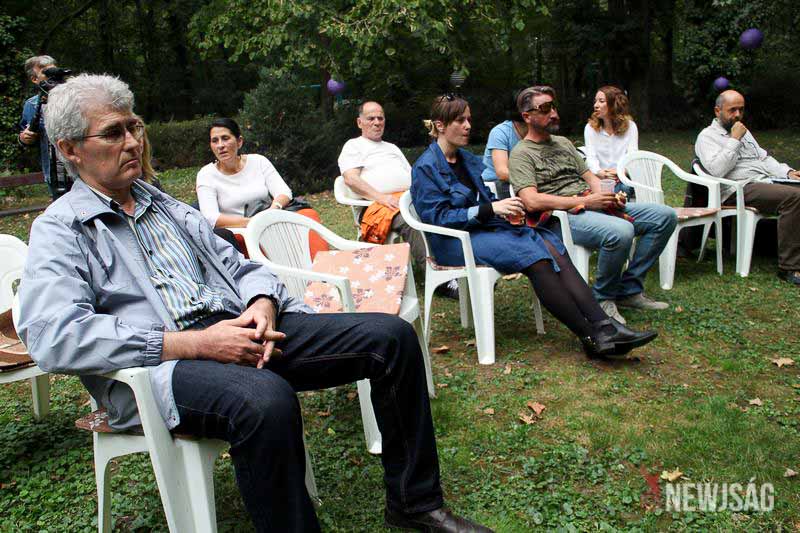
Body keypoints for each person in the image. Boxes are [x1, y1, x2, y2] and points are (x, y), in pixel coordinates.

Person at [17, 74, 491, 533]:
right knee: (264, 399)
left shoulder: (164, 206)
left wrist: (263, 300)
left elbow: (241, 264)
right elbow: (52, 335)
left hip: (242, 326)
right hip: (165, 366)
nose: (132, 143)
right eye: (113, 133)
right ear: (70, 149)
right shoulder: (60, 229)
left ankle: (414, 503)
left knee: (392, 338)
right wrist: (196, 344)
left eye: (134, 127)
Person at [411, 94, 657, 358]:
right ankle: (591, 335)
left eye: (469, 119)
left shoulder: (466, 160)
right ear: (440, 125)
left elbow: (485, 200)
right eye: (460, 121)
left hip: (482, 231)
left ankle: (605, 325)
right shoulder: (426, 167)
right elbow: (438, 218)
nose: (468, 126)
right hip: (453, 243)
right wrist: (491, 209)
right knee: (536, 258)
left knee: (551, 243)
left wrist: (506, 210)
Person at [509, 85, 677, 325]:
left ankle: (629, 290)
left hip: (590, 204)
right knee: (621, 231)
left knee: (664, 216)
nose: (553, 113)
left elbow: (590, 178)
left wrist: (609, 197)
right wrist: (585, 201)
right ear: (527, 116)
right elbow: (531, 201)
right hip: (561, 217)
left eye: (553, 107)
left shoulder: (563, 143)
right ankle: (603, 297)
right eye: (545, 109)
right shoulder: (521, 154)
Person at [339, 101, 457, 298]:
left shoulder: (391, 147)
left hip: (406, 199)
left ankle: (455, 265)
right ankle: (439, 280)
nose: (377, 122)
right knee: (409, 220)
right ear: (359, 122)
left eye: (380, 118)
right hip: (377, 207)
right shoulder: (353, 146)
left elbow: (413, 176)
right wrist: (382, 198)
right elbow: (351, 179)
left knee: (443, 210)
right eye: (371, 118)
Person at [695, 89, 800, 285]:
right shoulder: (707, 137)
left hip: (764, 182)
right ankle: (790, 267)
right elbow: (717, 171)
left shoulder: (745, 132)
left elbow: (763, 158)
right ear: (717, 111)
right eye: (732, 110)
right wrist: (734, 140)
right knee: (795, 197)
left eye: (741, 110)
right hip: (738, 188)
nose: (737, 115)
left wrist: (787, 172)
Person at [196, 117, 327, 258]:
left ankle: (321, 267)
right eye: (215, 141)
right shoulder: (206, 175)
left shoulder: (258, 161)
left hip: (271, 218)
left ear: (239, 141)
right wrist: (253, 223)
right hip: (242, 232)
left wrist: (273, 211)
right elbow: (211, 218)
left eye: (225, 138)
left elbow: (284, 192)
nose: (220, 145)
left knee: (308, 215)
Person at [583, 85, 637, 196]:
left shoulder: (630, 127)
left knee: (625, 187)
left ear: (614, 105)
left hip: (624, 177)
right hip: (599, 178)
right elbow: (591, 157)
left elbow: (633, 156)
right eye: (595, 101)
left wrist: (620, 171)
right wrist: (600, 173)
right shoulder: (590, 128)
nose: (595, 105)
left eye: (601, 101)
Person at [18, 55, 59, 197]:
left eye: (54, 70)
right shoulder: (32, 105)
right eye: (46, 72)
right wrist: (24, 138)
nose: (52, 74)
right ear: (34, 79)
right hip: (54, 173)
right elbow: (26, 135)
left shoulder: (77, 97)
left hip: (85, 169)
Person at [480, 92, 528, 200]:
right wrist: (535, 180)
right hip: (495, 184)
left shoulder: (541, 132)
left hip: (524, 182)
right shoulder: (500, 132)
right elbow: (502, 173)